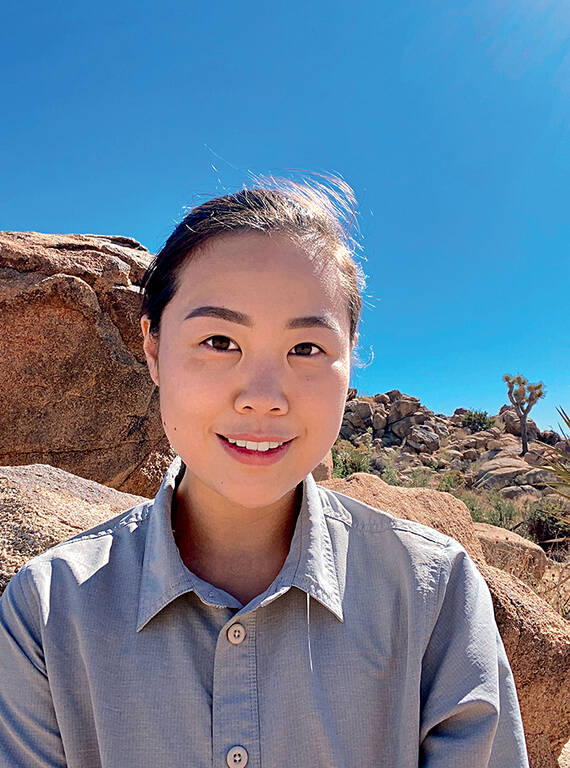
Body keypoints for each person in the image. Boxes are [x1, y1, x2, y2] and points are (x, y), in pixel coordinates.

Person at [0, 176, 530, 767]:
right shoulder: (47, 615)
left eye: (305, 349)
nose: (263, 397)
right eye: (219, 340)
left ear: (351, 358)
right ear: (152, 349)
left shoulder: (436, 597)